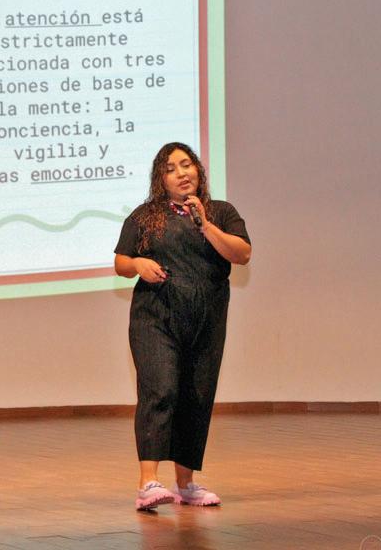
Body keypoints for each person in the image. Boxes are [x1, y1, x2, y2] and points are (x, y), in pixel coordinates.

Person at [113, 142, 251, 511]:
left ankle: (186, 484)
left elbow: (242, 253)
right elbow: (121, 262)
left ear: (198, 171)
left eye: (186, 164)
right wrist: (138, 264)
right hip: (155, 317)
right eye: (171, 168)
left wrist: (205, 225)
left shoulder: (221, 212)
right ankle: (148, 483)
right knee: (160, 389)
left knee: (196, 395)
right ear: (161, 179)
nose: (181, 173)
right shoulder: (145, 216)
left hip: (206, 319)